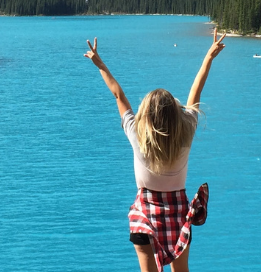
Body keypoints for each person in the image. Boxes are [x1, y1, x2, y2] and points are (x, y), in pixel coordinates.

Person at [85, 28, 225, 272]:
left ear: (146, 116)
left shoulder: (137, 135)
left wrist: (100, 64)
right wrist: (208, 57)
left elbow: (118, 95)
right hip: (179, 216)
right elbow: (196, 93)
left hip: (145, 217)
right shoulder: (186, 133)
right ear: (175, 114)